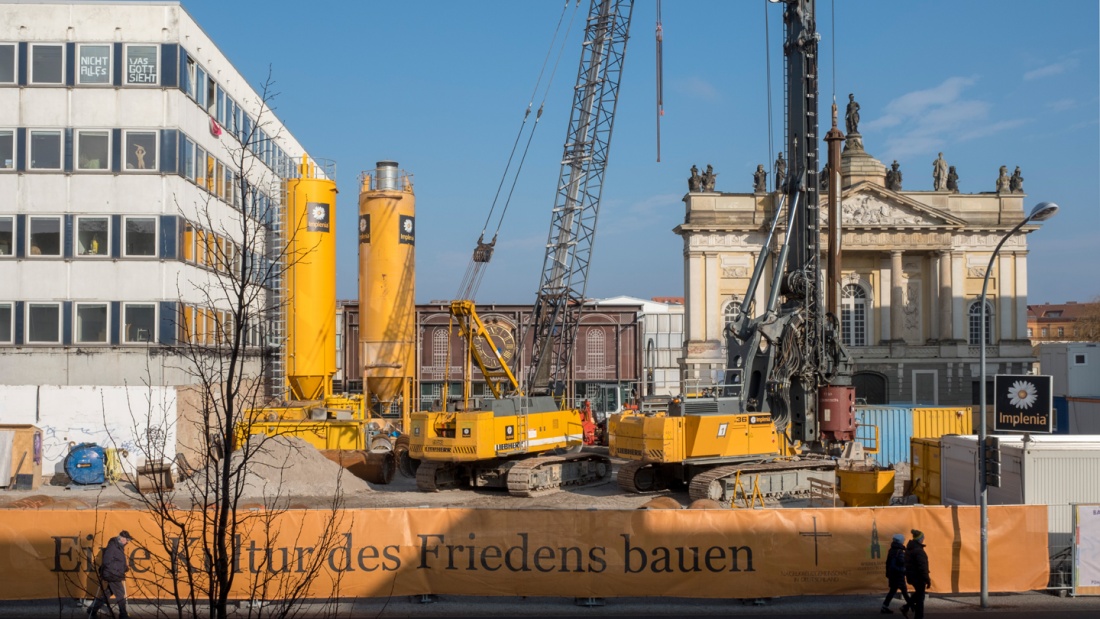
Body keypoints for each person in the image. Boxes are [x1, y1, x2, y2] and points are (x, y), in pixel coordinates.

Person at [89, 530, 132, 619]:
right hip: (112, 575)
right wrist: (117, 571)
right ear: (122, 539)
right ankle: (123, 615)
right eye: (127, 540)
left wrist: (125, 568)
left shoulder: (118, 547)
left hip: (114, 573)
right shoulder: (112, 547)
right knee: (120, 593)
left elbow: (117, 562)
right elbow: (106, 562)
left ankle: (92, 610)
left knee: (107, 593)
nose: (128, 542)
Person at [881, 533, 912, 614]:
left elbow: (888, 563)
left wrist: (888, 573)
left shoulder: (891, 550)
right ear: (900, 541)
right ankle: (911, 606)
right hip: (899, 575)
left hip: (893, 575)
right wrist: (905, 570)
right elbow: (902, 563)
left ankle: (884, 607)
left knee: (893, 591)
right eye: (903, 540)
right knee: (904, 592)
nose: (904, 541)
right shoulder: (899, 551)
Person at [905, 529, 931, 619]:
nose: (924, 538)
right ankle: (918, 617)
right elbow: (922, 567)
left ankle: (906, 607)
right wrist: (927, 579)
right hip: (918, 577)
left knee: (919, 594)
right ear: (920, 539)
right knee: (920, 599)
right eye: (923, 537)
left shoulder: (910, 548)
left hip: (912, 576)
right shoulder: (919, 551)